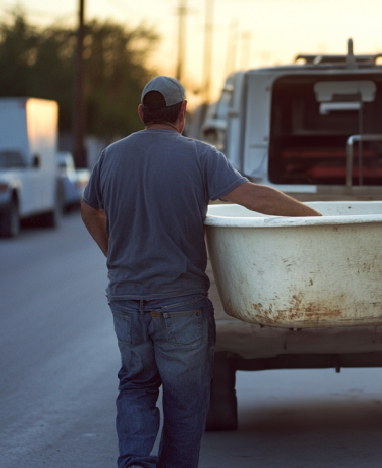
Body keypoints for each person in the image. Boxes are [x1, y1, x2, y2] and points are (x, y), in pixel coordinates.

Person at [81, 76, 321, 468]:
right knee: (185, 399)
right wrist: (316, 218)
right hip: (180, 302)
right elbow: (252, 197)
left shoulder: (111, 156)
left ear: (142, 113)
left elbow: (90, 209)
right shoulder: (200, 156)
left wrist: (114, 254)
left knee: (136, 385)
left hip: (126, 298)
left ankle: (136, 461)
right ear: (183, 114)